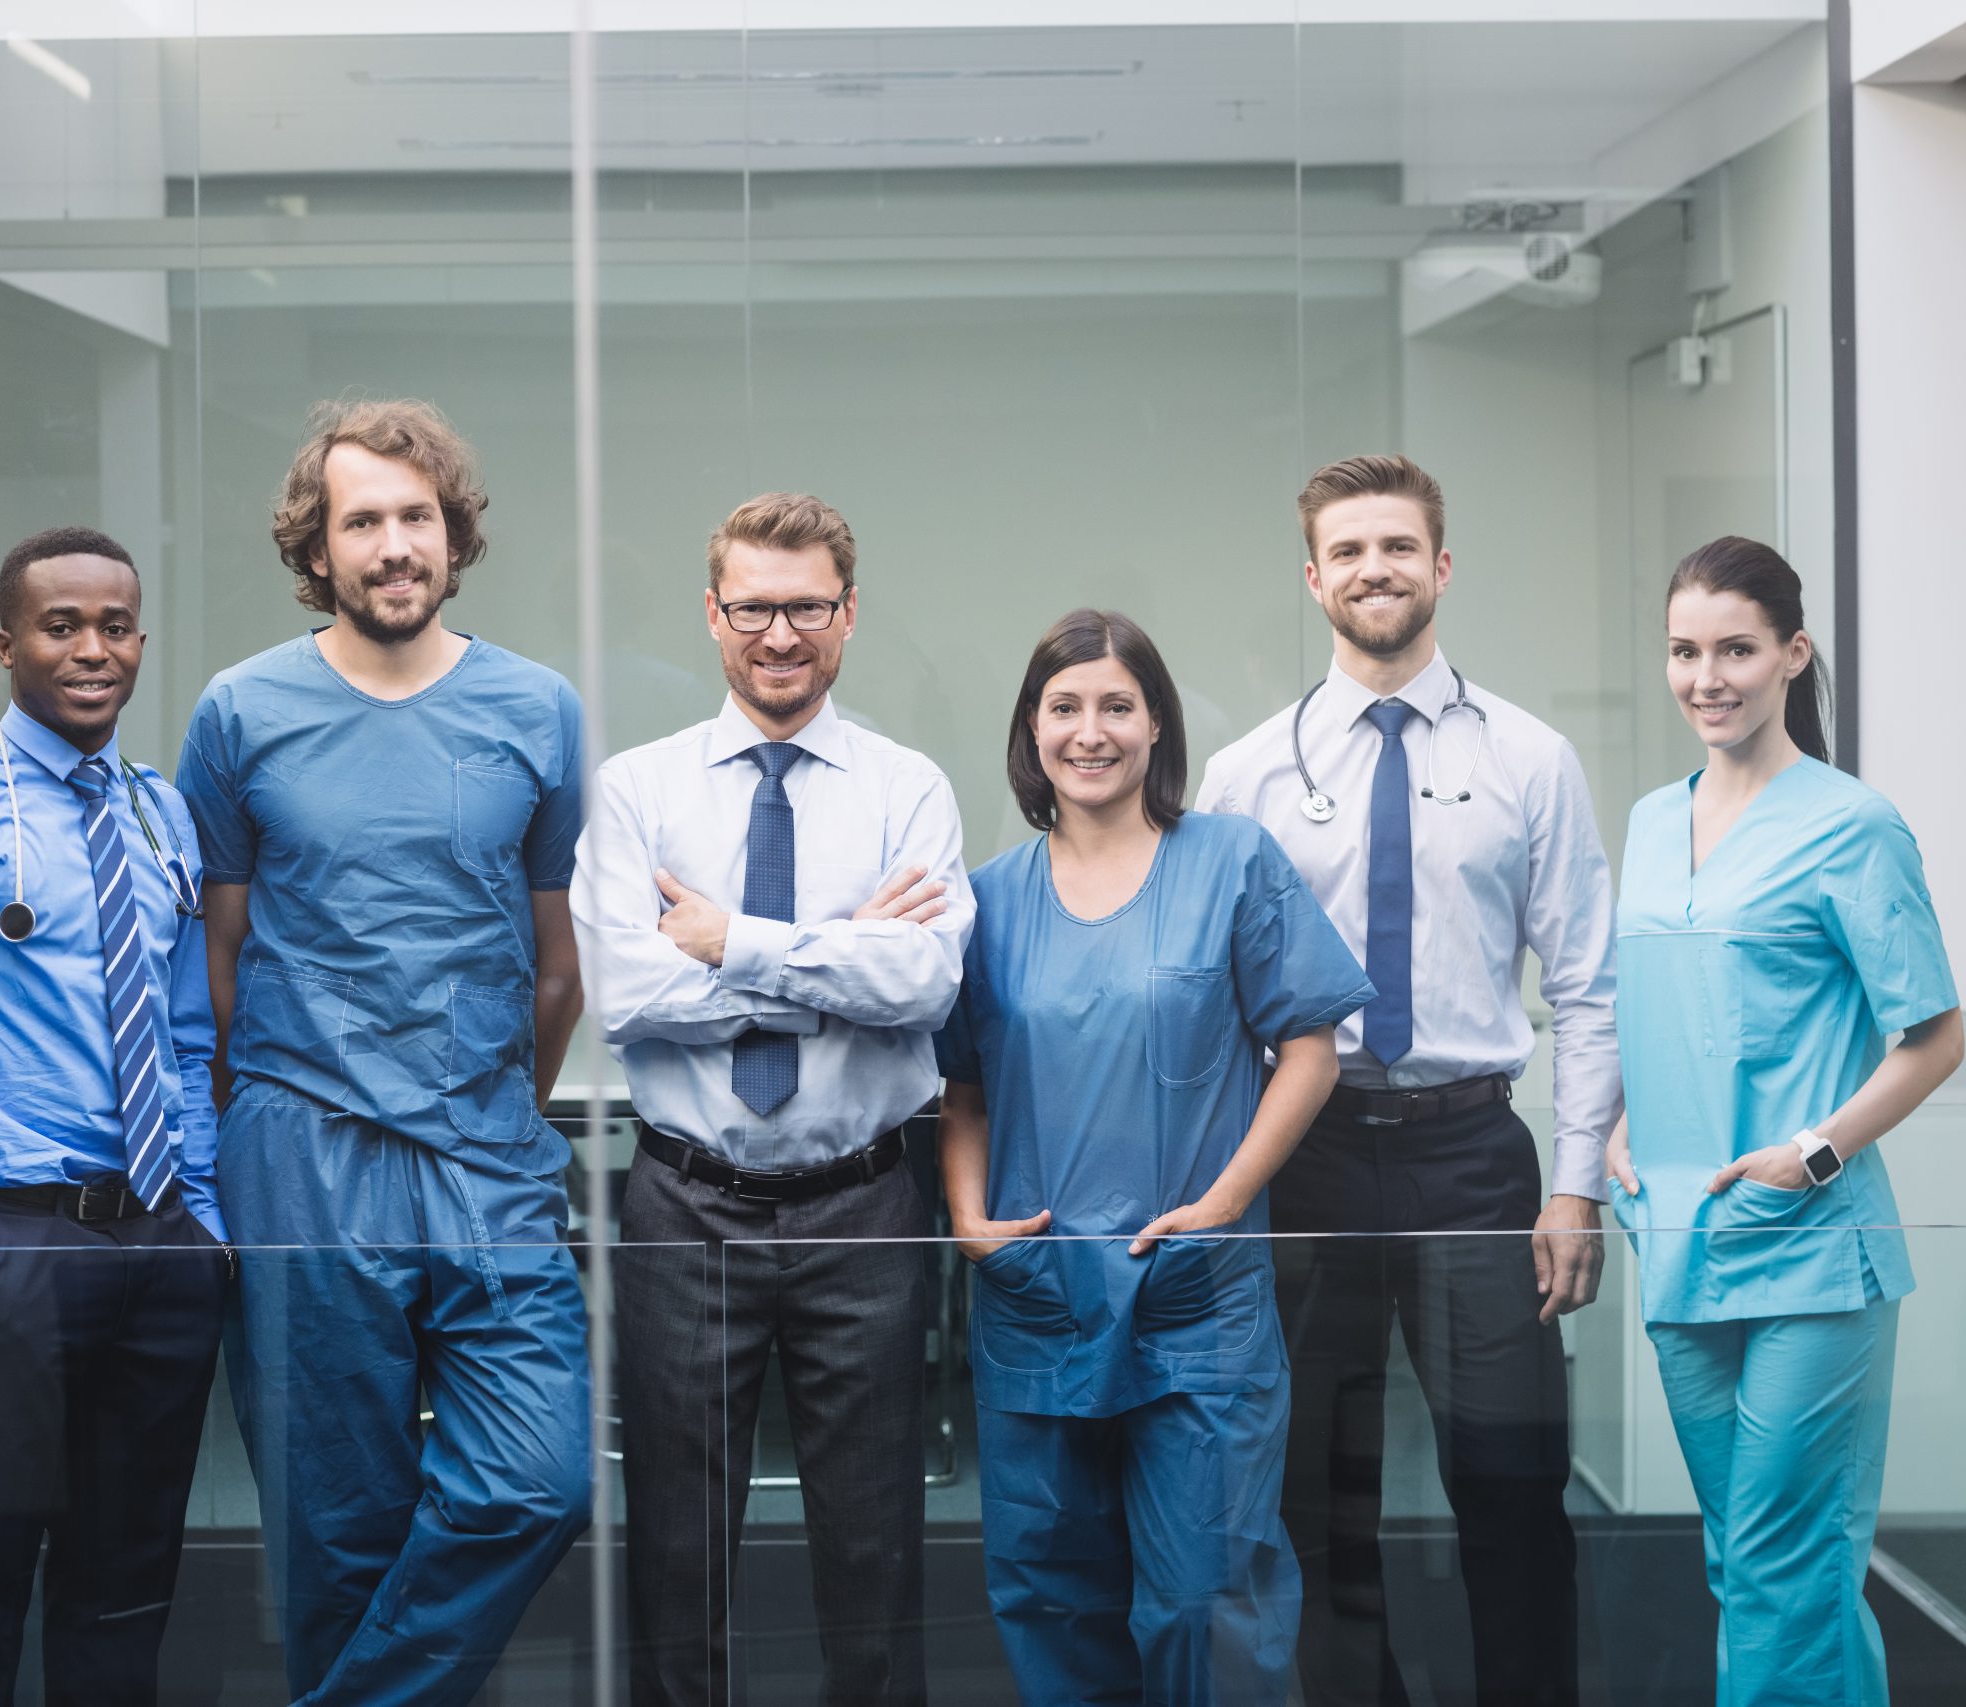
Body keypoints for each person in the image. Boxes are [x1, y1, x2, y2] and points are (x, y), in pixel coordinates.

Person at [178, 398, 591, 1706]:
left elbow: (558, 960)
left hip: (488, 1146)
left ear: (455, 535)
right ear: (320, 546)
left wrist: (494, 1101)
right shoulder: (241, 711)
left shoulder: (539, 706)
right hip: (304, 1143)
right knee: (335, 1527)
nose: (394, 543)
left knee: (539, 1476)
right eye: (364, 520)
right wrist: (268, 1121)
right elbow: (219, 959)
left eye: (417, 515)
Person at [1195, 454, 1617, 1707]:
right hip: (1309, 1152)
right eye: (1348, 550)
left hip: (1473, 1160)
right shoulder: (1246, 775)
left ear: (1440, 565)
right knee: (1315, 1492)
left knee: (1510, 1477)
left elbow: (1587, 987)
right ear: (1313, 576)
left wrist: (1578, 1188)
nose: (1373, 568)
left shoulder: (1530, 759)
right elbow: (1218, 1009)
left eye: (1397, 546)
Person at [573, 492, 967, 1706]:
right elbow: (625, 994)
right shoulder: (637, 791)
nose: (779, 634)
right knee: (678, 1556)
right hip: (687, 1208)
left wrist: (730, 942)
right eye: (753, 607)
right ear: (712, 615)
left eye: (805, 608)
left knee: (873, 1548)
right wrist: (829, 952)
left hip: (863, 1209)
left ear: (847, 617)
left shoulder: (908, 788)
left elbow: (924, 984)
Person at [937, 610, 1370, 1705]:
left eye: (1117, 706)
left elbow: (1310, 1049)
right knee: (1050, 1595)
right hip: (1040, 1294)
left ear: (1156, 724)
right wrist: (968, 1222)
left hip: (1196, 1300)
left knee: (1206, 1600)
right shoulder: (985, 900)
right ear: (1030, 733)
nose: (1092, 732)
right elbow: (965, 1091)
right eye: (1065, 707)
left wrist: (1226, 1199)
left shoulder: (1229, 860)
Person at [0, 526, 231, 1706]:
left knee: (128, 1577)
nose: (91, 649)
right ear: (8, 644)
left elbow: (189, 1034)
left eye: (114, 626)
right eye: (61, 626)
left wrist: (204, 1220)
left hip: (159, 1242)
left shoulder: (162, 812)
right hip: (11, 1241)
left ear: (140, 642)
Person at [1607, 537, 1960, 1706]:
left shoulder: (1853, 825)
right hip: (1680, 1241)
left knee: (1781, 1567)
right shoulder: (1655, 822)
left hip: (1812, 1255)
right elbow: (1645, 1004)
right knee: (1746, 1565)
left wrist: (1814, 1152)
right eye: (1684, 651)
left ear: (1790, 655)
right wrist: (1616, 1129)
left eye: (1736, 650)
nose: (1707, 676)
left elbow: (1937, 1033)